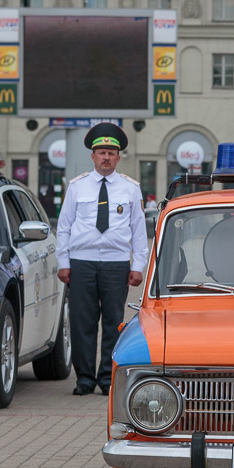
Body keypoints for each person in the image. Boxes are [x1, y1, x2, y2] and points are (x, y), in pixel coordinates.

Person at [56, 123, 150, 396]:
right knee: (82, 322)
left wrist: (137, 266)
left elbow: (138, 230)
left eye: (111, 152)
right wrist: (64, 261)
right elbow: (64, 226)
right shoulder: (77, 187)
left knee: (113, 323)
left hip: (116, 263)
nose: (106, 157)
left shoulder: (130, 189)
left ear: (118, 157)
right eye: (101, 152)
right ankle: (84, 379)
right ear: (92, 156)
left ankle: (107, 378)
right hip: (81, 262)